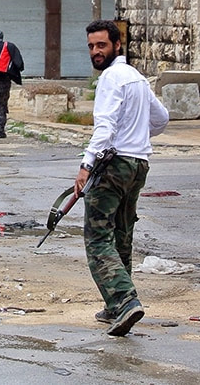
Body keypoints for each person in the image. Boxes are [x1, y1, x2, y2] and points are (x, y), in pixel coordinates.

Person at [77, 19, 169, 337]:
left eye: (101, 45)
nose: (95, 51)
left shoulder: (112, 79)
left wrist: (86, 165)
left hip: (114, 165)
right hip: (139, 164)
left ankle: (124, 299)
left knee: (97, 237)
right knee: (121, 235)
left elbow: (104, 127)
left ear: (118, 45)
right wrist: (138, 135)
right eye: (91, 46)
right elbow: (161, 119)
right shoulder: (137, 79)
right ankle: (116, 306)